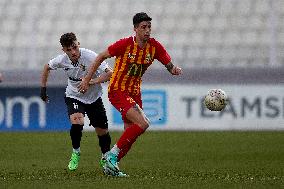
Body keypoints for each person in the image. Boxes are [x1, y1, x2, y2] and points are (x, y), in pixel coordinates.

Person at [79, 12, 182, 176]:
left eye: (149, 27)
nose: (147, 30)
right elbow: (100, 57)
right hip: (118, 90)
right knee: (143, 123)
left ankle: (111, 167)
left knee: (131, 131)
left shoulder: (154, 47)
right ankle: (110, 156)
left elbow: (169, 64)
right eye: (143, 27)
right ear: (135, 29)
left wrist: (174, 69)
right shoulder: (125, 44)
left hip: (135, 93)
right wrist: (86, 79)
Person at [40, 32, 113, 172]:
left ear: (78, 44)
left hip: (94, 98)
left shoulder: (91, 56)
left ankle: (105, 158)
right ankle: (76, 152)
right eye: (69, 50)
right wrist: (43, 89)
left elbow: (110, 73)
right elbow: (46, 67)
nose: (73, 52)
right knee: (77, 122)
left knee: (102, 132)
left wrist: (92, 81)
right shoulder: (61, 60)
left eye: (75, 47)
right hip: (74, 96)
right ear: (64, 50)